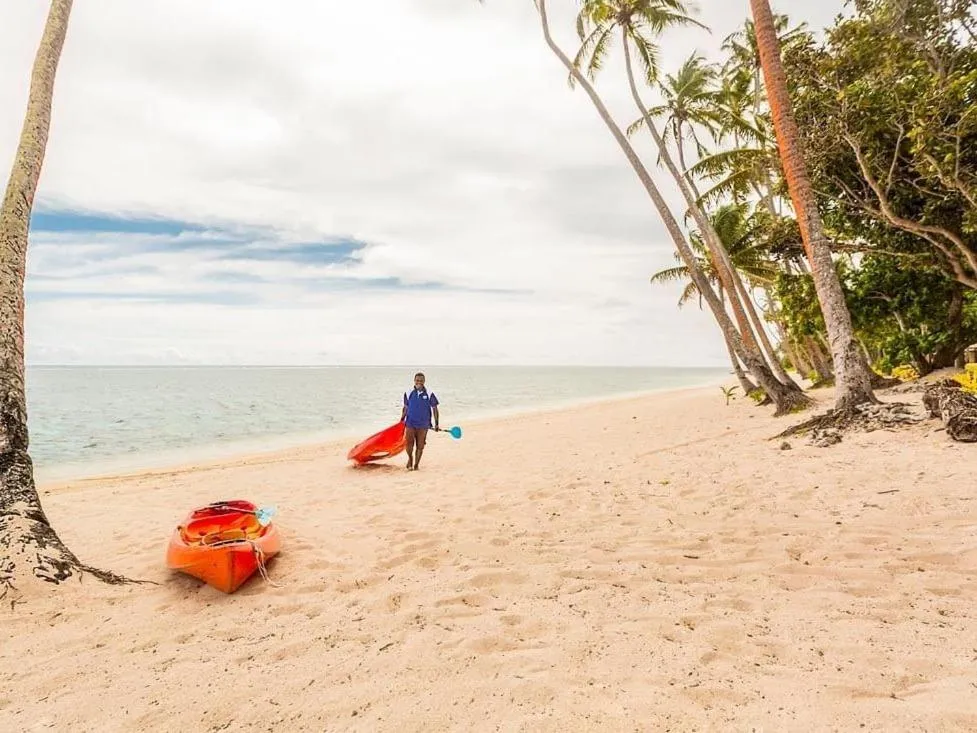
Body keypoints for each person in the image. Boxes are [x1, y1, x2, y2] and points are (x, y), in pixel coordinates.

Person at [400, 371, 439, 471]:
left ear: (424, 381)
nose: (419, 382)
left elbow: (434, 408)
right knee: (409, 444)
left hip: (424, 424)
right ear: (414, 381)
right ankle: (410, 458)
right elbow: (405, 407)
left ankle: (416, 465)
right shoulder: (408, 393)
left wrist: (436, 424)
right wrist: (401, 420)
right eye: (417, 380)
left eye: (421, 381)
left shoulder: (429, 393)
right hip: (410, 423)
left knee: (420, 446)